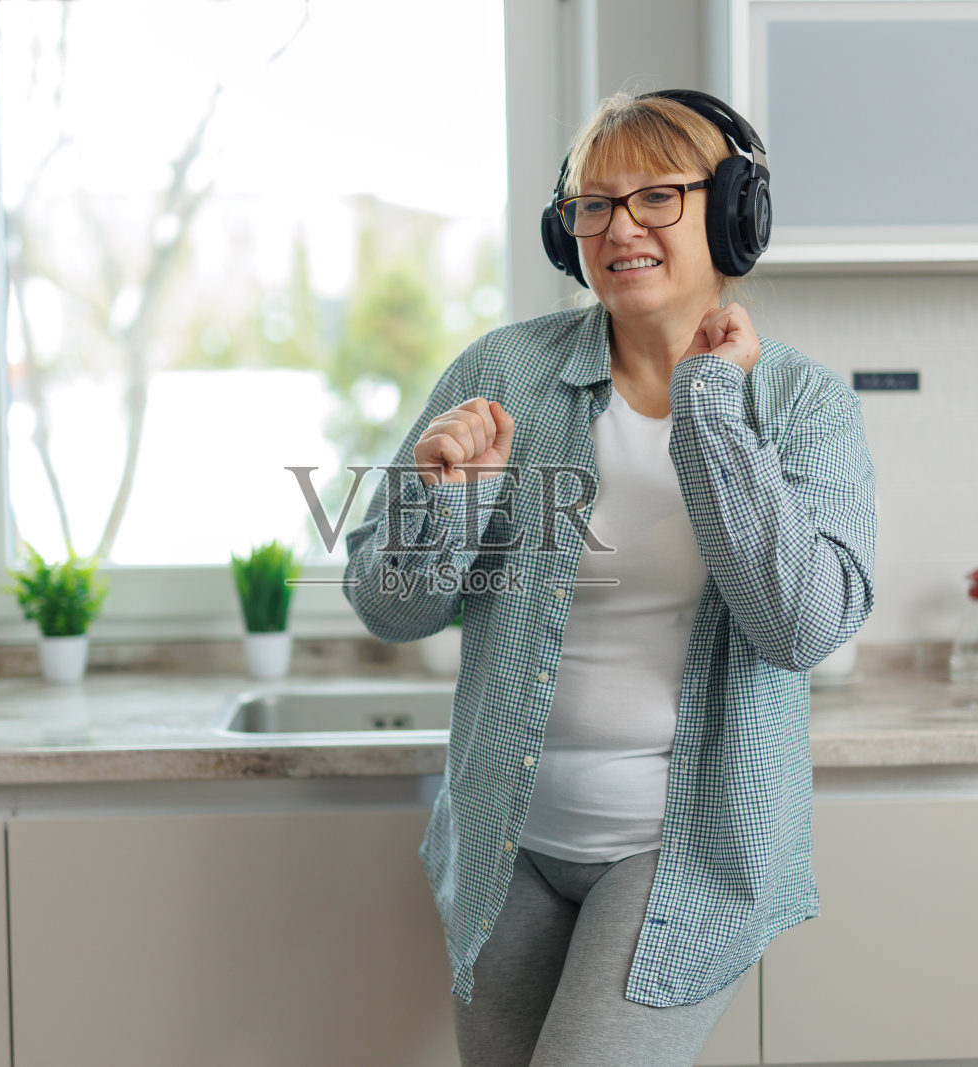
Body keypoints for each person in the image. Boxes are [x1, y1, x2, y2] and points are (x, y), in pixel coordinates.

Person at [342, 88, 877, 1067]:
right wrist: (448, 497)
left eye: (655, 198)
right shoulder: (502, 372)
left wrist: (709, 406)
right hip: (507, 844)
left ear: (730, 214)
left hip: (678, 852)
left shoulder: (800, 403)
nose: (617, 226)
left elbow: (800, 626)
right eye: (592, 204)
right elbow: (389, 605)